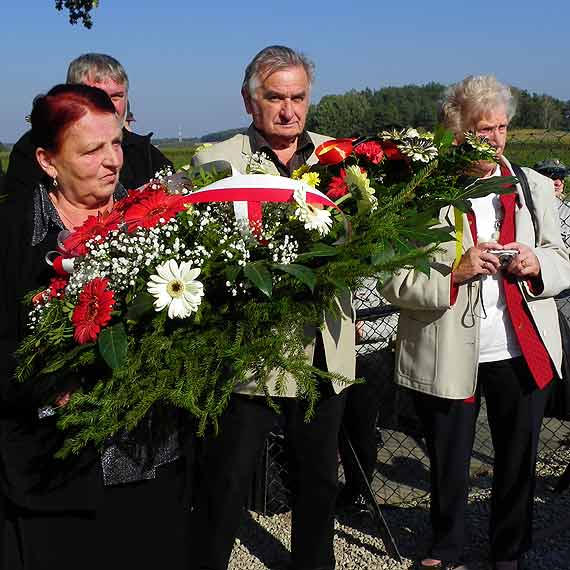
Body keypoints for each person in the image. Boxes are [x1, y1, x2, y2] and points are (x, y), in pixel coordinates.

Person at [382, 75, 570, 570]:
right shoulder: (422, 191)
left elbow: (562, 254)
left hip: (521, 345)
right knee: (448, 460)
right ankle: (446, 548)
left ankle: (509, 550)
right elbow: (392, 279)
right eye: (483, 130)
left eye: (502, 128)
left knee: (517, 459)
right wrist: (454, 273)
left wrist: (537, 265)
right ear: (457, 132)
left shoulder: (532, 186)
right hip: (448, 346)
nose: (496, 140)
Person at [0, 84, 188, 569]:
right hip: (55, 474)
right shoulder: (15, 232)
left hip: (153, 462)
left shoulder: (155, 218)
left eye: (116, 143)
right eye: (91, 150)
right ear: (47, 161)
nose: (112, 161)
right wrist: (51, 384)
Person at [190, 45, 355, 570]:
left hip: (324, 348)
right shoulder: (215, 160)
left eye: (299, 97)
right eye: (275, 97)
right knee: (227, 480)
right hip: (248, 353)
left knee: (319, 483)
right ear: (248, 101)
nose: (289, 110)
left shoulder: (342, 158)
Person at [5, 53, 172, 195]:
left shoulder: (144, 152)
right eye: (97, 96)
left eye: (116, 97)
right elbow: (20, 218)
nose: (108, 105)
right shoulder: (35, 149)